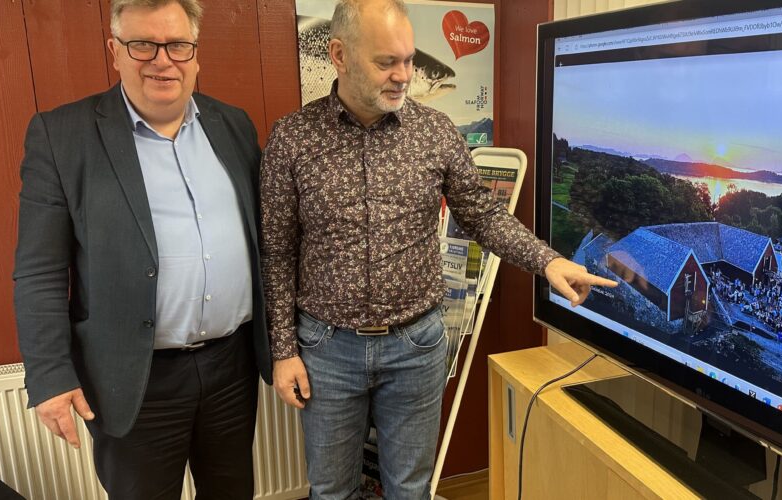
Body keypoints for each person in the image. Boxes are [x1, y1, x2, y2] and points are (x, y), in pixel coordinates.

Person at [259, 0, 617, 497]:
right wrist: (283, 352)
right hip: (326, 349)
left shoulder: (434, 132)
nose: (404, 75)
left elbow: (484, 214)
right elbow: (277, 253)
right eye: (387, 62)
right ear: (339, 55)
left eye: (409, 59)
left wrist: (548, 260)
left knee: (411, 488)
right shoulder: (292, 139)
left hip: (415, 347)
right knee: (331, 491)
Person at [13, 1, 271, 497]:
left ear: (195, 54)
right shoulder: (63, 136)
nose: (162, 60)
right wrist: (48, 374)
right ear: (115, 51)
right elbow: (39, 271)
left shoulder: (232, 125)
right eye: (142, 45)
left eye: (177, 45)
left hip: (231, 367)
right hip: (133, 378)